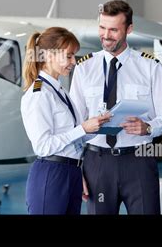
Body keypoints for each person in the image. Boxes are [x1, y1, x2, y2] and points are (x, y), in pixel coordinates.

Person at [70, 0, 162, 215]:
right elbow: (75, 124)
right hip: (96, 163)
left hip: (139, 161)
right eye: (102, 28)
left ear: (129, 29)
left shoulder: (150, 66)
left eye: (113, 30)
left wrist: (148, 127)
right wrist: (76, 169)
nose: (106, 35)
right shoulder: (84, 67)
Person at [21, 27, 111, 215]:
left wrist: (98, 127)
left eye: (74, 56)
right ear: (48, 55)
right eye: (68, 56)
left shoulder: (60, 91)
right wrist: (83, 129)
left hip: (73, 172)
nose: (73, 62)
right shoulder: (39, 94)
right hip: (52, 173)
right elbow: (43, 147)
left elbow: (72, 136)